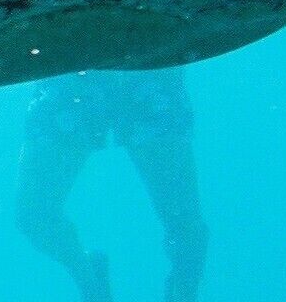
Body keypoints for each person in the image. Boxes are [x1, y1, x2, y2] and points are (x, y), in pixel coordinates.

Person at [16, 66, 207, 302]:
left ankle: (98, 287)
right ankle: (93, 287)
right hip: (129, 58)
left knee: (183, 220)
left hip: (99, 58)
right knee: (34, 213)